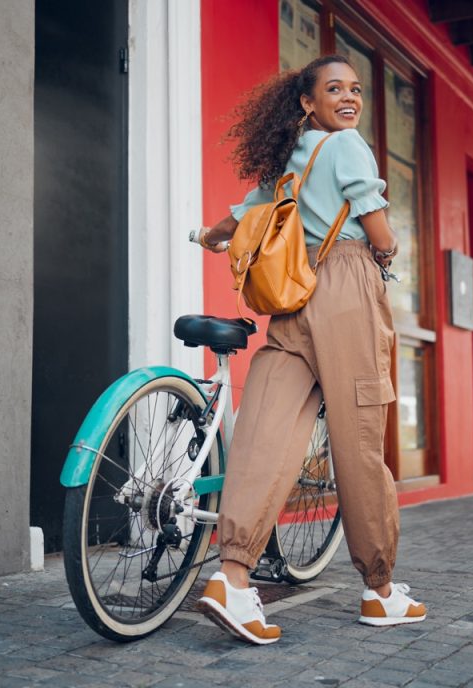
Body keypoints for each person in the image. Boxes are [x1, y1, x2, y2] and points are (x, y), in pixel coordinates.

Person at [194, 54, 426, 645]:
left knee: (265, 434)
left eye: (354, 89)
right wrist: (390, 245)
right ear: (308, 102)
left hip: (292, 304)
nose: (349, 98)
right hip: (346, 291)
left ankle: (234, 578)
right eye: (334, 89)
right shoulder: (348, 147)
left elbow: (234, 220)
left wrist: (206, 237)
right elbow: (379, 232)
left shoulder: (288, 163)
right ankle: (379, 590)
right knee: (360, 441)